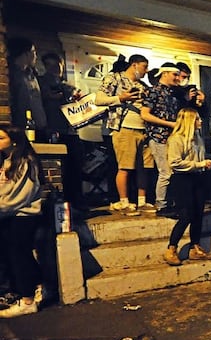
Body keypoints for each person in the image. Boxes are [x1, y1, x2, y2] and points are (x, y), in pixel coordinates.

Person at [95, 54, 156, 215]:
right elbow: (98, 99)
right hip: (124, 127)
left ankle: (142, 201)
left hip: (144, 129)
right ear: (134, 65)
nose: (146, 70)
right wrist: (121, 98)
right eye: (144, 66)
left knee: (144, 167)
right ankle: (124, 202)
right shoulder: (114, 79)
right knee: (125, 166)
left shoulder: (142, 85)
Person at [162, 108, 211, 266]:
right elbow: (174, 162)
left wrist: (206, 164)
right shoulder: (176, 139)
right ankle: (171, 248)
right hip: (182, 180)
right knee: (186, 215)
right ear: (189, 121)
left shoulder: (197, 138)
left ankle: (195, 247)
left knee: (199, 213)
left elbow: (199, 158)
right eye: (197, 119)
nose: (201, 121)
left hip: (197, 177)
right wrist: (199, 164)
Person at [0, 125, 44, 318]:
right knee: (15, 254)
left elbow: (21, 195)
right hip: (10, 214)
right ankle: (36, 287)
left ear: (15, 140)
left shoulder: (26, 162)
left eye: (1, 138)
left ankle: (27, 301)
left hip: (23, 215)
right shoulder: (7, 161)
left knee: (20, 255)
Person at [39, 53, 85, 206]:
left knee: (75, 167)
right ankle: (62, 202)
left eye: (56, 65)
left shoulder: (67, 85)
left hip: (71, 130)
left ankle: (77, 201)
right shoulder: (42, 82)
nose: (52, 69)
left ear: (62, 65)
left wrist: (77, 97)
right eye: (49, 65)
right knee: (61, 168)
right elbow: (47, 97)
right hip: (54, 129)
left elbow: (79, 100)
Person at [141, 64, 183, 213]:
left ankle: (170, 202)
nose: (178, 78)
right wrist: (168, 123)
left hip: (170, 138)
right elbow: (145, 114)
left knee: (173, 170)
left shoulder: (172, 95)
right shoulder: (153, 92)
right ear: (164, 74)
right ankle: (161, 204)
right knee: (165, 171)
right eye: (175, 74)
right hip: (158, 136)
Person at [7, 37, 47, 142]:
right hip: (19, 129)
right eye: (34, 52)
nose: (36, 56)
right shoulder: (10, 74)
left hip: (38, 127)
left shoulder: (32, 75)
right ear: (26, 54)